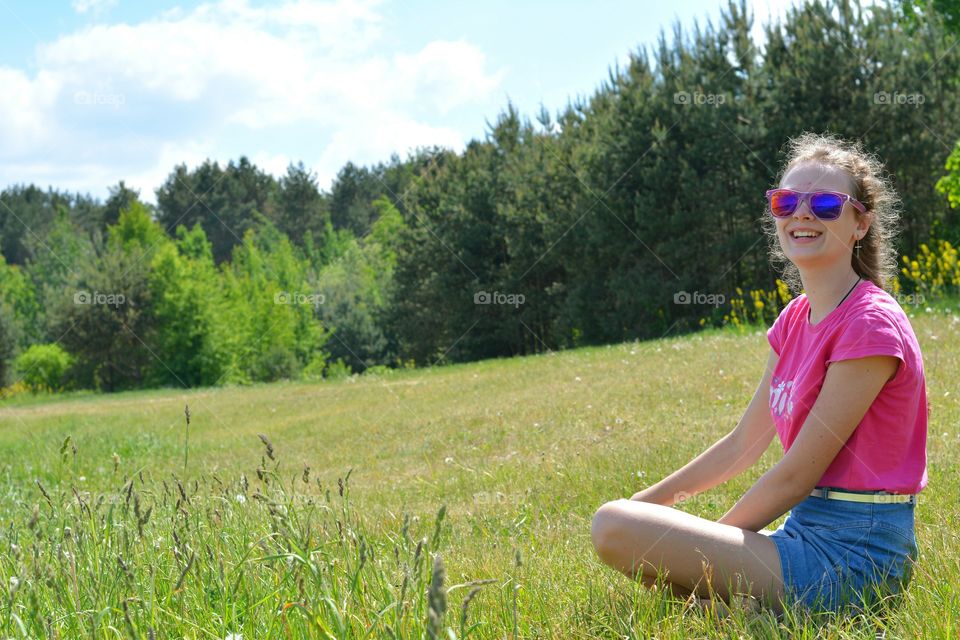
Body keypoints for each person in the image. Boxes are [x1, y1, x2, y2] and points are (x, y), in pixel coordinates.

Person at [590, 132, 927, 616]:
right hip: (803, 535)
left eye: (827, 203)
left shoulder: (869, 323)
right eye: (786, 201)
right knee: (625, 523)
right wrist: (646, 505)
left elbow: (793, 478)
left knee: (614, 528)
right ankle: (746, 613)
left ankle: (745, 608)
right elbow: (741, 444)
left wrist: (698, 551)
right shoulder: (793, 321)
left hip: (858, 555)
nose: (802, 214)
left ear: (860, 224)